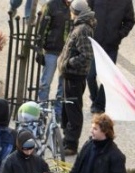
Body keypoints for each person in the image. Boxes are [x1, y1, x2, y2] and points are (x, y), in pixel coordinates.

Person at [57, 0, 95, 156]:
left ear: (75, 12)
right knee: (67, 108)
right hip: (69, 74)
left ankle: (71, 144)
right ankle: (67, 140)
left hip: (74, 76)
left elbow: (86, 55)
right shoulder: (79, 26)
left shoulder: (83, 29)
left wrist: (68, 62)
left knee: (73, 110)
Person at [87, 0, 135, 114]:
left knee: (107, 77)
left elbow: (130, 21)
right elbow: (88, 13)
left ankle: (99, 104)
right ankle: (95, 98)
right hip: (95, 43)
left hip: (111, 45)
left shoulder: (126, 2)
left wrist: (119, 35)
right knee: (90, 75)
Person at [31, 0, 71, 107]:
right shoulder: (51, 5)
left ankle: (58, 113)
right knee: (45, 83)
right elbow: (42, 28)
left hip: (67, 53)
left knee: (63, 85)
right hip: (51, 49)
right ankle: (42, 110)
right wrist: (40, 49)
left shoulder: (75, 7)